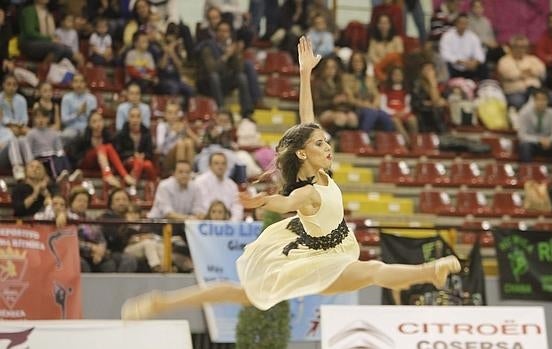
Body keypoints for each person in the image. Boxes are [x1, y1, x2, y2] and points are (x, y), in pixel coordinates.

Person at [121, 37, 461, 319]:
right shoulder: (308, 192)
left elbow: (306, 118)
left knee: (368, 272)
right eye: (319, 144)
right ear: (303, 154)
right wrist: (264, 200)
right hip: (312, 259)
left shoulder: (319, 169)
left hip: (328, 251)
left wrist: (304, 74)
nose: (327, 146)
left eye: (326, 141)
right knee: (363, 272)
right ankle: (429, 272)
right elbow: (286, 202)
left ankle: (428, 273)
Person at [70, 111, 136, 188]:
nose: (98, 124)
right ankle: (113, 174)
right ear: (89, 124)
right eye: (94, 121)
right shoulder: (83, 137)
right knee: (101, 148)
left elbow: (117, 153)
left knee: (107, 147)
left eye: (100, 120)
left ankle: (122, 175)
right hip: (87, 163)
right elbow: (75, 155)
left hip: (103, 165)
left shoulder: (109, 136)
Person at [344, 52, 395, 133]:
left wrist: (374, 104)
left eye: (360, 61)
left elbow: (376, 94)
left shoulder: (369, 78)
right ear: (351, 63)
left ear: (364, 63)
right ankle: (363, 137)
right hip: (356, 108)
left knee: (385, 116)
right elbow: (350, 98)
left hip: (372, 107)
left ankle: (389, 140)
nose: (358, 64)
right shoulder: (346, 78)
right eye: (355, 61)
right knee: (371, 113)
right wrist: (366, 105)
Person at [516, 89, 552, 164]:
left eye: (544, 99)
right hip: (532, 144)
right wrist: (539, 140)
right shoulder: (525, 113)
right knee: (524, 146)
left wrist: (549, 140)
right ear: (534, 100)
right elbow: (522, 135)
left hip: (548, 144)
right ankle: (528, 173)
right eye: (538, 99)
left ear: (548, 101)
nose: (541, 102)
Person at [497, 35, 546, 110]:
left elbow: (542, 69)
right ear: (512, 47)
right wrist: (527, 73)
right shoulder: (504, 60)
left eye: (523, 47)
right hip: (515, 92)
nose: (520, 49)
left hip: (534, 90)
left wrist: (527, 72)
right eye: (517, 46)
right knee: (518, 102)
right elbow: (510, 74)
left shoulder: (532, 58)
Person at [311, 56, 358, 134]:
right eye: (328, 68)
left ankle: (346, 140)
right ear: (323, 69)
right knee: (341, 118)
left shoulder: (339, 83)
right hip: (322, 111)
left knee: (352, 117)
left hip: (339, 109)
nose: (331, 70)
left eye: (333, 67)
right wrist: (333, 101)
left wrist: (345, 100)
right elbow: (316, 103)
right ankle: (329, 138)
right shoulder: (317, 83)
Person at [98, 188, 139, 272]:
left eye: (124, 199)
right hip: (112, 251)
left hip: (132, 248)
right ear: (111, 204)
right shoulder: (107, 217)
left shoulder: (133, 216)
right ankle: (121, 285)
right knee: (129, 260)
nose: (121, 203)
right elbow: (114, 241)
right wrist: (127, 225)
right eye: (117, 200)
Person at [114, 106, 157, 185]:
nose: (135, 119)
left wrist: (143, 155)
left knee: (148, 164)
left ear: (141, 119)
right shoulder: (121, 134)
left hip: (142, 161)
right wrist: (133, 154)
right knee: (139, 162)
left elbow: (150, 153)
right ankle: (132, 185)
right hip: (126, 162)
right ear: (128, 118)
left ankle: (154, 187)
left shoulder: (146, 134)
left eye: (138, 116)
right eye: (132, 116)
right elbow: (118, 153)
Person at [195, 152, 244, 222]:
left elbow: (237, 206)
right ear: (210, 165)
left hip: (227, 223)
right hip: (205, 221)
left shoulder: (232, 185)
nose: (220, 166)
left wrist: (232, 222)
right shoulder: (200, 182)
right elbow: (198, 206)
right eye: (216, 163)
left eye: (223, 163)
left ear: (227, 166)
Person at [155, 101, 199, 175]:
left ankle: (190, 171)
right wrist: (173, 133)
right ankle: (180, 172)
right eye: (170, 113)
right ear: (165, 115)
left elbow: (198, 142)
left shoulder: (182, 125)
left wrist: (188, 130)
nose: (173, 116)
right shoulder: (162, 126)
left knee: (189, 142)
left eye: (175, 113)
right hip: (167, 159)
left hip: (183, 156)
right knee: (180, 143)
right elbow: (160, 147)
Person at [439, 13, 486, 80]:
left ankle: (484, 86)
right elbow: (444, 54)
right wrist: (461, 62)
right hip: (454, 66)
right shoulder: (447, 36)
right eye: (461, 23)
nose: (463, 26)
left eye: (465, 23)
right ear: (456, 23)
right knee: (446, 65)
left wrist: (475, 62)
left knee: (483, 66)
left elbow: (480, 54)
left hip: (469, 67)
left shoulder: (473, 37)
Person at [380, 65, 417, 143]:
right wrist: (394, 112)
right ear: (391, 76)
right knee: (395, 121)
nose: (397, 77)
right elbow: (383, 106)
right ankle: (407, 141)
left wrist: (403, 112)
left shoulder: (406, 90)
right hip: (391, 113)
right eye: (395, 75)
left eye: (399, 75)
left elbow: (408, 105)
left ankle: (415, 141)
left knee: (413, 119)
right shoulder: (385, 90)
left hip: (403, 112)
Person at [410, 61, 447, 133]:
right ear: (421, 71)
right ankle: (439, 133)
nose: (429, 72)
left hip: (436, 109)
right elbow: (418, 102)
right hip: (423, 110)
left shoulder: (440, 83)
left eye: (431, 69)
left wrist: (432, 83)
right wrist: (432, 83)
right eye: (426, 69)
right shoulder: (417, 84)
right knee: (435, 111)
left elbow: (441, 100)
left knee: (439, 109)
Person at [60, 74, 98, 142]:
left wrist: (86, 112)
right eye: (76, 81)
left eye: (81, 82)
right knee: (64, 136)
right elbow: (64, 121)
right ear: (72, 84)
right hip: (71, 128)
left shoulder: (92, 99)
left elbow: (94, 120)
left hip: (87, 129)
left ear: (85, 83)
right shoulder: (66, 98)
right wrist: (78, 113)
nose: (79, 84)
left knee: (92, 136)